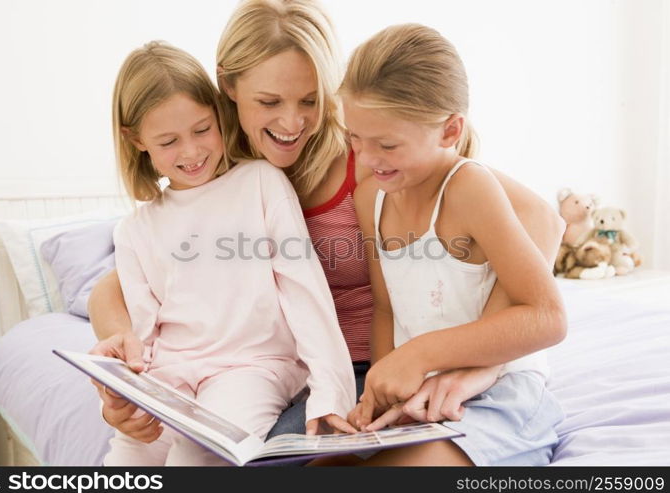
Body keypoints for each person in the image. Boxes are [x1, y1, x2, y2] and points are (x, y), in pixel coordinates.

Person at [89, 0, 564, 445]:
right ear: (229, 88)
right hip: (271, 376)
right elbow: (118, 284)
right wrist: (126, 361)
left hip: (368, 367)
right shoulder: (212, 169)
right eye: (269, 102)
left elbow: (540, 220)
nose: (292, 122)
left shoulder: (371, 156)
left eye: (310, 100)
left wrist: (480, 362)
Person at [320, 23, 566, 466]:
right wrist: (377, 391)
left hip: (499, 397)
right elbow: (386, 309)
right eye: (354, 138)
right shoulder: (370, 197)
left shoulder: (469, 187)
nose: (367, 158)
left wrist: (420, 355)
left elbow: (547, 317)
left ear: (450, 130)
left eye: (387, 144)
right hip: (420, 400)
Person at [100, 40, 355, 466]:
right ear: (136, 139)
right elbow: (142, 339)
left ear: (220, 115)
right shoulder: (134, 230)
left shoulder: (261, 183)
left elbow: (306, 293)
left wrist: (331, 393)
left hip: (252, 367)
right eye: (168, 141)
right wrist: (124, 396)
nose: (192, 151)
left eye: (202, 129)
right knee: (126, 460)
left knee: (196, 457)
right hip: (171, 373)